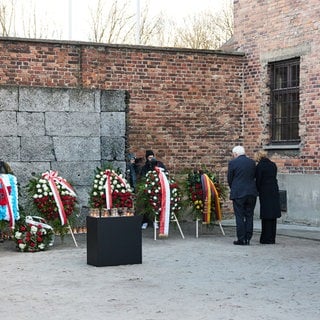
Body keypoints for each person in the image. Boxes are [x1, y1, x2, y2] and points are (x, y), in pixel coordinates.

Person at [227, 146, 258, 245]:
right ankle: (248, 238)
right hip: (251, 192)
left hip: (238, 192)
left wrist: (234, 188)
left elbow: (230, 178)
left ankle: (241, 238)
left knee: (239, 216)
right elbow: (254, 176)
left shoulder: (233, 163)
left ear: (235, 154)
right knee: (249, 215)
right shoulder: (252, 162)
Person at [255, 150, 281, 244]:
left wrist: (257, 190)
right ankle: (272, 237)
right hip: (274, 190)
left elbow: (258, 180)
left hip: (264, 191)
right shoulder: (273, 165)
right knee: (273, 215)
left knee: (266, 215)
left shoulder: (260, 166)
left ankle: (265, 238)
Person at [140, 150, 167, 229]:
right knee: (146, 206)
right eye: (149, 157)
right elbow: (143, 176)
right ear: (147, 158)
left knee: (157, 205)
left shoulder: (159, 165)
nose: (151, 159)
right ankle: (145, 222)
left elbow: (164, 172)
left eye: (152, 157)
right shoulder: (145, 167)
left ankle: (156, 221)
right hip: (148, 188)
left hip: (158, 188)